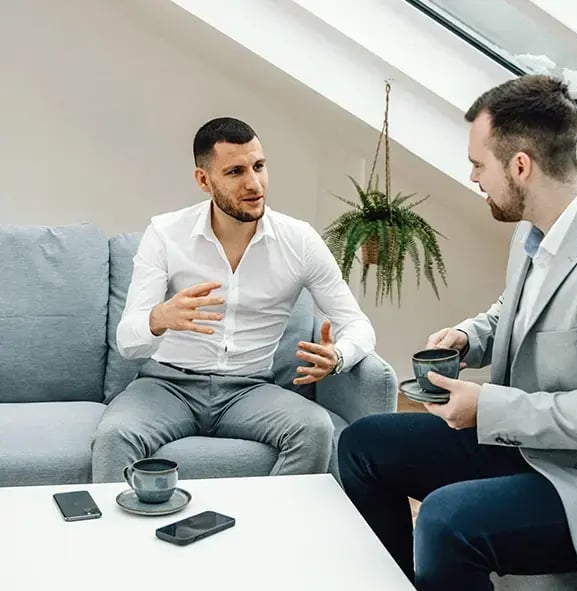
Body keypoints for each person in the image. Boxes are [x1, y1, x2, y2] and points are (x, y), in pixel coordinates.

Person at [338, 75, 577, 591]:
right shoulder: (534, 230)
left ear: (520, 165)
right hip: (531, 445)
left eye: (479, 165)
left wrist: (488, 406)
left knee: (444, 519)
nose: (475, 178)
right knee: (362, 443)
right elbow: (517, 312)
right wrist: (467, 336)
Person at [92, 117, 375, 482]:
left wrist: (339, 356)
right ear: (203, 180)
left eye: (259, 166)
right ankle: (122, 540)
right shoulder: (165, 233)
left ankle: (269, 533)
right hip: (167, 385)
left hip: (250, 389)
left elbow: (357, 324)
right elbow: (128, 341)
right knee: (114, 436)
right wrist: (160, 317)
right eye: (235, 171)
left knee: (315, 428)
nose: (254, 184)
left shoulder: (300, 241)